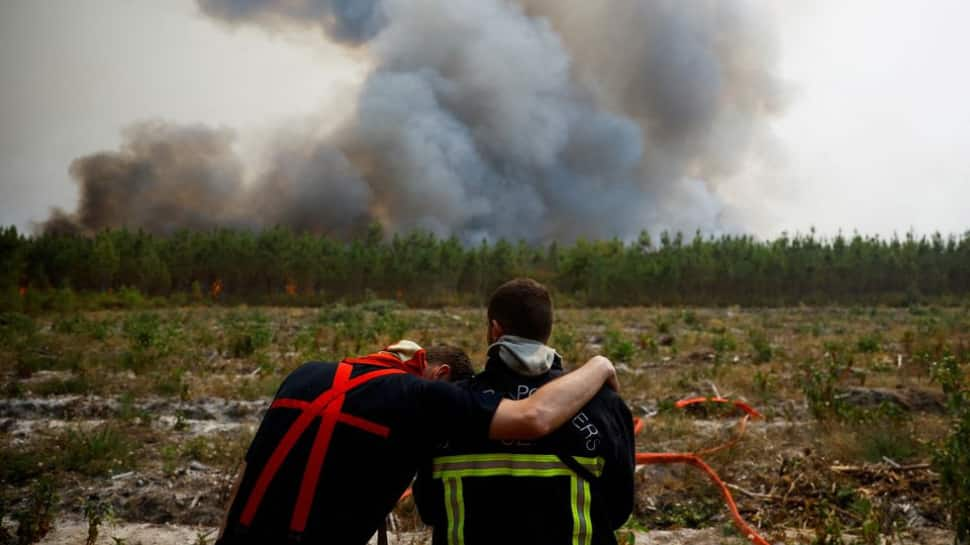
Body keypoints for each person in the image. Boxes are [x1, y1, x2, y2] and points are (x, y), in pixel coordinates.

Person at [216, 338, 618, 545]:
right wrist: (599, 366)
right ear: (440, 375)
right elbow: (534, 417)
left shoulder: (305, 374)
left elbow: (246, 478)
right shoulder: (422, 396)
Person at [414, 279, 636, 545]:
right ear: (547, 331)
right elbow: (618, 508)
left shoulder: (451, 405)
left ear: (495, 329)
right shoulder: (604, 403)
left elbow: (428, 506)